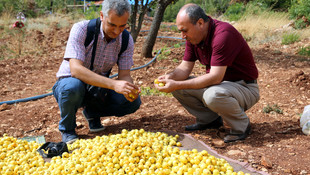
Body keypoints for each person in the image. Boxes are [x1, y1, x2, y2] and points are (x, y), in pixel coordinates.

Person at [154, 3, 260, 143]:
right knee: (180, 88)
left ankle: (241, 126)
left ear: (200, 23)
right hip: (223, 86)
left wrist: (176, 83)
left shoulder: (223, 34)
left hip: (244, 87)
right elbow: (185, 68)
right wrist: (170, 77)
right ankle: (210, 121)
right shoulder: (194, 37)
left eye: (184, 30)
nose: (182, 36)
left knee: (212, 95)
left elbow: (216, 77)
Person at [53, 0, 141, 144]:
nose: (117, 31)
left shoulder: (125, 39)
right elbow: (76, 70)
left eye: (122, 26)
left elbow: (125, 75)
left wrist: (129, 88)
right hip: (70, 83)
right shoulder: (82, 29)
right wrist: (114, 85)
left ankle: (93, 113)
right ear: (102, 16)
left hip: (98, 89)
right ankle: (67, 129)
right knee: (72, 88)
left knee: (131, 102)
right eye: (112, 24)